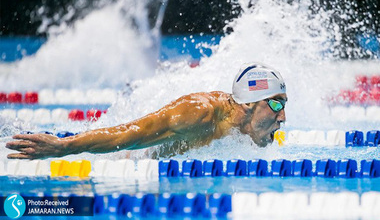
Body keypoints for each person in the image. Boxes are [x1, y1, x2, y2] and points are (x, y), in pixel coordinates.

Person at [6, 62, 287, 159]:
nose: (282, 116)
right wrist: (65, 147)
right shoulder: (198, 114)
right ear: (249, 103)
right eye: (276, 104)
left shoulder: (247, 129)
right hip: (127, 163)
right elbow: (129, 135)